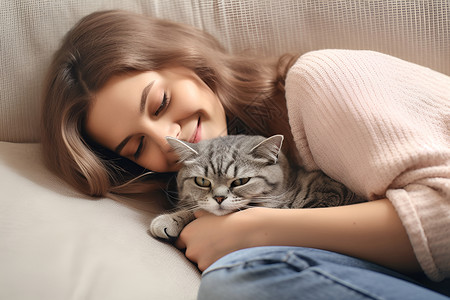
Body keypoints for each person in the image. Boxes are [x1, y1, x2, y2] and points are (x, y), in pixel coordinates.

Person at [41, 10, 450, 299]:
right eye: (138, 146)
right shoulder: (206, 170)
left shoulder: (320, 81)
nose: (167, 137)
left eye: (161, 102)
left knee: (238, 280)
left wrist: (255, 230)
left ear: (186, 59)